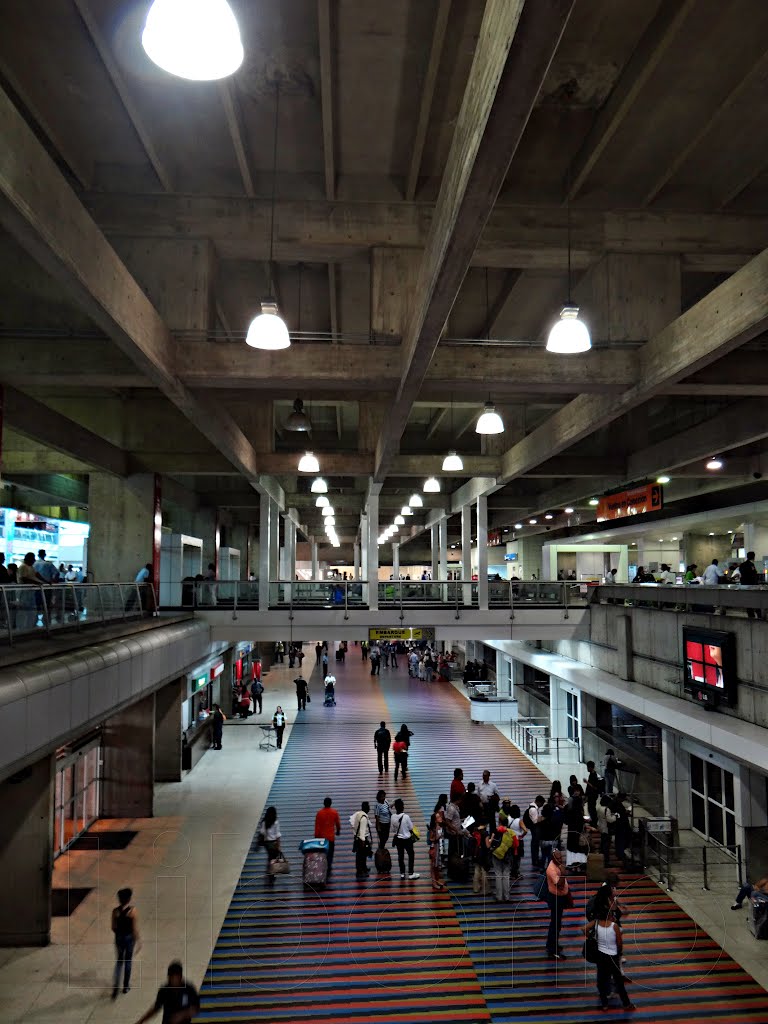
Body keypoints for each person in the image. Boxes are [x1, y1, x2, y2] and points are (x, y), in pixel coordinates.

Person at [585, 910, 635, 1011]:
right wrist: (619, 952)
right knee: (619, 982)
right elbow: (619, 943)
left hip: (601, 956)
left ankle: (604, 1004)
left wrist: (592, 938)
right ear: (609, 916)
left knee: (601, 981)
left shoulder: (596, 923)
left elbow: (584, 928)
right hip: (612, 957)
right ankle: (626, 1004)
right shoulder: (614, 926)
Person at [133, 960, 199, 1024]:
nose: (172, 980)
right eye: (170, 978)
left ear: (180, 977)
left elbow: (196, 1008)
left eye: (175, 978)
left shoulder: (189, 989)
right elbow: (155, 1009)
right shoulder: (164, 990)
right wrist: (141, 1021)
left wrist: (183, 1014)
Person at [111, 887, 139, 998]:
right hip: (129, 938)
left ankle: (116, 985)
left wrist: (118, 934)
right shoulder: (132, 911)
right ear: (129, 899)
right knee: (128, 961)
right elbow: (134, 928)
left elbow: (113, 927)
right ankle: (126, 986)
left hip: (119, 938)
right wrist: (138, 940)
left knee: (119, 961)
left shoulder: (115, 911)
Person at [545, 848, 571, 959]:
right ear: (553, 858)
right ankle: (553, 950)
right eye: (558, 858)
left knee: (557, 924)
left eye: (561, 857)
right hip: (555, 898)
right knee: (555, 925)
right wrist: (563, 873)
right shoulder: (551, 869)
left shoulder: (557, 865)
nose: (561, 860)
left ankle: (552, 944)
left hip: (560, 897)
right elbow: (559, 884)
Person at [391, 798, 420, 880]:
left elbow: (393, 830)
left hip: (398, 840)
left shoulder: (392, 817)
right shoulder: (406, 817)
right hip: (407, 840)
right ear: (402, 807)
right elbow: (411, 827)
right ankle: (411, 873)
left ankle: (402, 873)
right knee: (411, 855)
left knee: (400, 856)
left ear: (396, 807)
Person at [314, 797, 341, 873]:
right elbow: (338, 824)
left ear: (324, 803)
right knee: (330, 852)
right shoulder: (334, 812)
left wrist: (316, 836)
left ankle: (323, 865)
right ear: (330, 803)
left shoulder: (319, 813)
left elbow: (317, 826)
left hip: (321, 838)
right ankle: (329, 865)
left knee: (322, 853)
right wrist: (338, 831)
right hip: (331, 837)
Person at [258, 806, 282, 882]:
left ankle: (269, 871)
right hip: (274, 843)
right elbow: (277, 835)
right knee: (273, 858)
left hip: (267, 844)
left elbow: (262, 833)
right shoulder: (275, 822)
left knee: (270, 857)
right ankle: (272, 874)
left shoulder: (264, 822)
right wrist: (279, 845)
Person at [350, 801, 373, 879]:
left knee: (360, 855)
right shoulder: (364, 818)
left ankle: (363, 868)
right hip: (362, 839)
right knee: (361, 856)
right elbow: (362, 831)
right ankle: (360, 871)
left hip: (357, 837)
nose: (369, 808)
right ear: (366, 808)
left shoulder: (359, 814)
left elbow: (352, 822)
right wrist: (363, 842)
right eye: (368, 806)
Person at [738, 551, 763, 619]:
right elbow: (753, 577)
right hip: (752, 587)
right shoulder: (751, 565)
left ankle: (751, 616)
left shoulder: (742, 565)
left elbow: (742, 576)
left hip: (745, 587)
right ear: (754, 557)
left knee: (748, 602)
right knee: (757, 602)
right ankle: (759, 616)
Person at [428, 806, 447, 891]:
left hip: (439, 848)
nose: (440, 818)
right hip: (434, 849)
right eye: (438, 817)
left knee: (436, 866)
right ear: (435, 820)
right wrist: (437, 837)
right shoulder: (434, 829)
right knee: (433, 866)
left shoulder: (439, 827)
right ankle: (434, 883)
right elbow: (431, 839)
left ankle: (437, 880)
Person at [584, 760, 601, 824]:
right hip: (591, 795)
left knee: (591, 809)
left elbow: (594, 787)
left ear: (591, 767)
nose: (587, 769)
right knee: (590, 808)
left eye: (588, 767)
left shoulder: (593, 775)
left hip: (592, 795)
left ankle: (594, 821)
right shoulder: (592, 774)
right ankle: (593, 820)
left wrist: (587, 782)